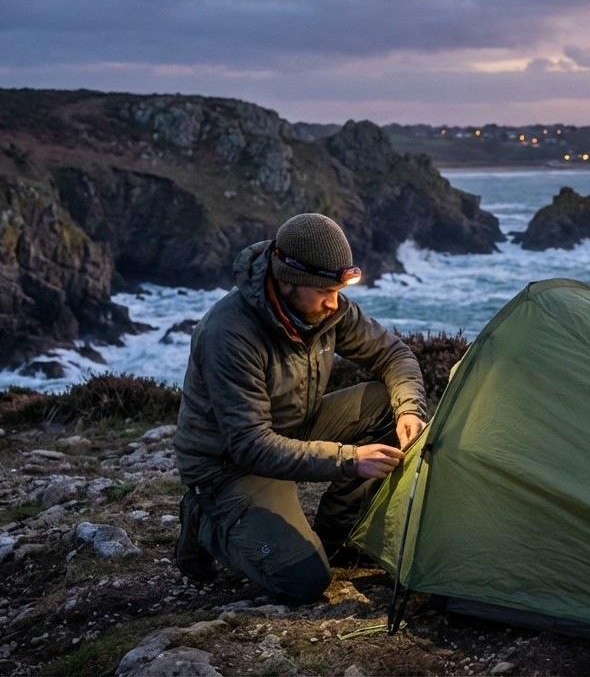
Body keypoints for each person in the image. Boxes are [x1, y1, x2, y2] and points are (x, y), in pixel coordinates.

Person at [171, 213, 426, 603]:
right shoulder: (229, 334)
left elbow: (394, 354)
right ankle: (203, 518)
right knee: (303, 582)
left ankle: (338, 533)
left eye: (339, 289)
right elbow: (251, 446)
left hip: (293, 428)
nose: (334, 302)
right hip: (230, 466)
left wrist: (409, 409)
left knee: (386, 403)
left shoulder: (326, 307)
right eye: (326, 290)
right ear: (290, 282)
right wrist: (349, 458)